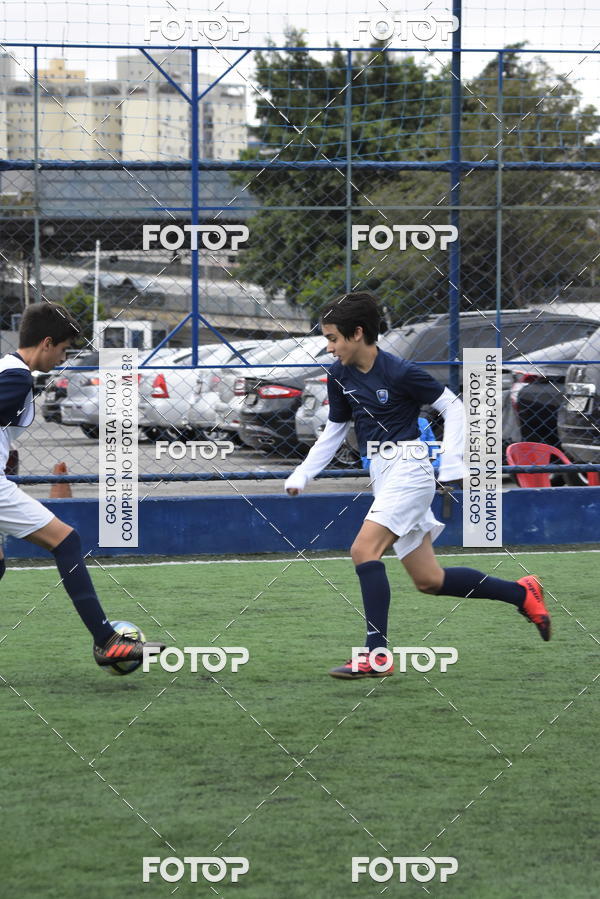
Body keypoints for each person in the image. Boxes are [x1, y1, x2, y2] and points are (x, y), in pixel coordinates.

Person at [285, 292, 551, 678]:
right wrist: (304, 472)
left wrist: (452, 460)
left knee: (363, 550)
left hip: (411, 471)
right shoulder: (338, 375)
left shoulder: (399, 371)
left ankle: (376, 656)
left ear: (357, 333)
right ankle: (521, 593)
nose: (329, 347)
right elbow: (335, 429)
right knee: (429, 580)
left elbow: (453, 406)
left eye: (332, 338)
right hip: (383, 474)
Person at [0, 302, 165, 667]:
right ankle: (107, 642)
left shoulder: (7, 370)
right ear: (47, 343)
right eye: (62, 349)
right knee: (66, 541)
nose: (63, 358)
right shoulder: (16, 377)